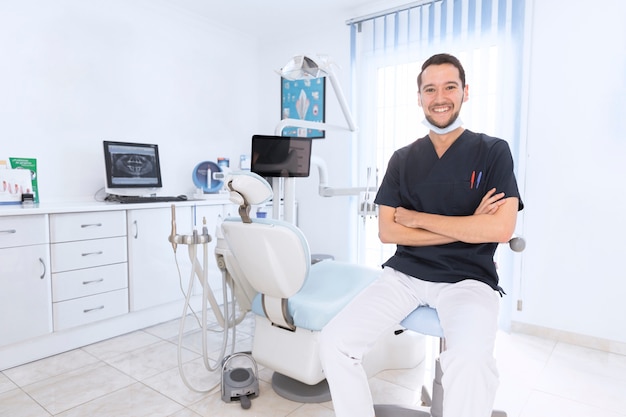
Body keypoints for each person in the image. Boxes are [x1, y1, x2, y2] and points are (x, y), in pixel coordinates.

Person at [319, 53, 524, 417]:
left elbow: (501, 228)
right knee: (334, 342)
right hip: (404, 277)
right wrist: (467, 225)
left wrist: (416, 219)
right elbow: (386, 231)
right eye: (430, 89)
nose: (440, 96)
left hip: (468, 279)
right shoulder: (402, 159)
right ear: (419, 97)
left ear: (465, 92)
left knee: (472, 362)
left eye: (450, 87)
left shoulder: (493, 151)